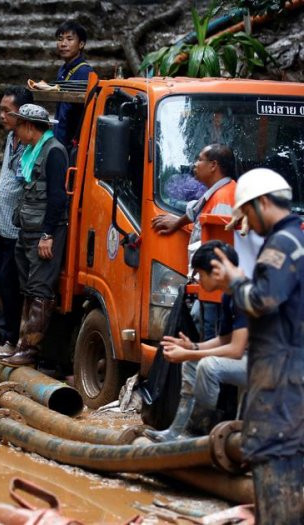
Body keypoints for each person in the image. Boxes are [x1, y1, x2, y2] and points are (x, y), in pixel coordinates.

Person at [210, 168, 303, 523]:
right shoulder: (297, 240)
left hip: (282, 376)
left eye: (247, 212)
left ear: (263, 203)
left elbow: (264, 301)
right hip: (290, 370)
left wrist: (235, 282)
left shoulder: (281, 244)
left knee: (274, 454)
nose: (247, 222)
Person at [146, 241, 248, 442]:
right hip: (249, 359)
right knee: (192, 364)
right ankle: (177, 431)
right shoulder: (228, 296)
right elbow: (226, 339)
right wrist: (193, 347)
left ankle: (199, 435)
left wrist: (191, 353)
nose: (199, 280)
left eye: (201, 274)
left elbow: (236, 350)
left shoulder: (244, 293)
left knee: (209, 366)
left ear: (216, 271)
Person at [0, 104, 69, 368]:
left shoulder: (54, 152)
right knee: (26, 287)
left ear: (29, 127)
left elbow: (58, 198)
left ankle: (29, 350)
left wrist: (48, 234)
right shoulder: (29, 152)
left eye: (20, 127)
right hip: (27, 228)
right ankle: (21, 344)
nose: (17, 132)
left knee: (39, 288)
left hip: (44, 231)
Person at [152, 143, 237, 340]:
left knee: (209, 334)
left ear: (213, 165)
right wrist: (177, 223)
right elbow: (195, 211)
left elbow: (220, 243)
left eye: (200, 159)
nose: (195, 164)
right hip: (210, 286)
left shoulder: (223, 198)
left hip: (215, 290)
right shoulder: (217, 192)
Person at [0, 86, 33, 359]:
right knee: (4, 282)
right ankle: (7, 338)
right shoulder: (11, 138)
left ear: (21, 114)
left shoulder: (30, 145)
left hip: (17, 229)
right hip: (1, 225)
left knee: (14, 285)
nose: (1, 115)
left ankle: (12, 341)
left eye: (6, 110)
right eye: (0, 109)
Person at [51, 20, 94, 148]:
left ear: (81, 44)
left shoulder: (84, 71)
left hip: (73, 141)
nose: (63, 44)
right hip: (60, 136)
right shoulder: (63, 69)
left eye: (69, 39)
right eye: (60, 39)